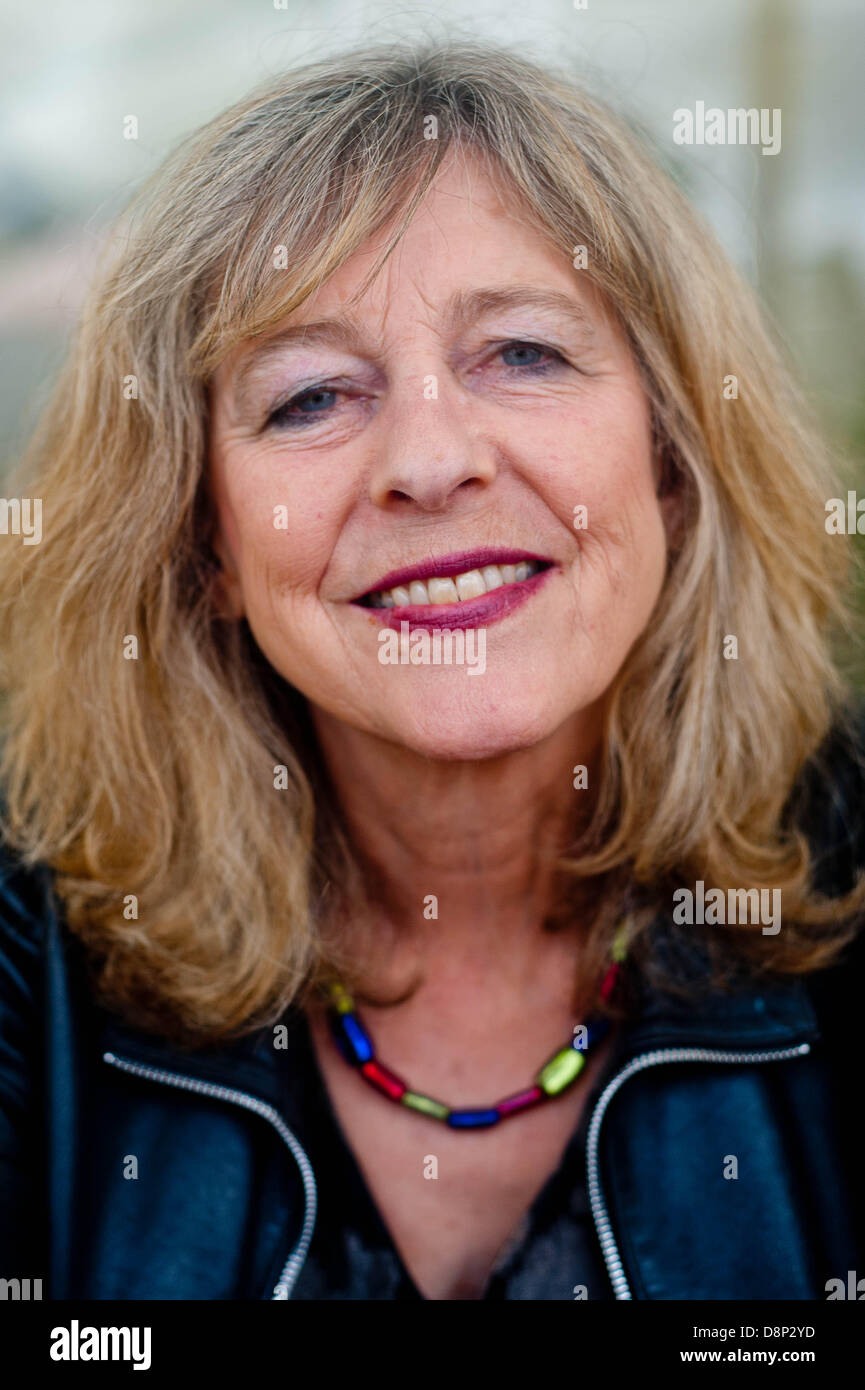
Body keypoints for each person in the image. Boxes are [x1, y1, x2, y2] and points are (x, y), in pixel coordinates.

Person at [0, 40, 863, 1302]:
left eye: (521, 353)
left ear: (671, 465)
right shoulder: (36, 968)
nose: (431, 458)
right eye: (308, 398)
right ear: (205, 543)